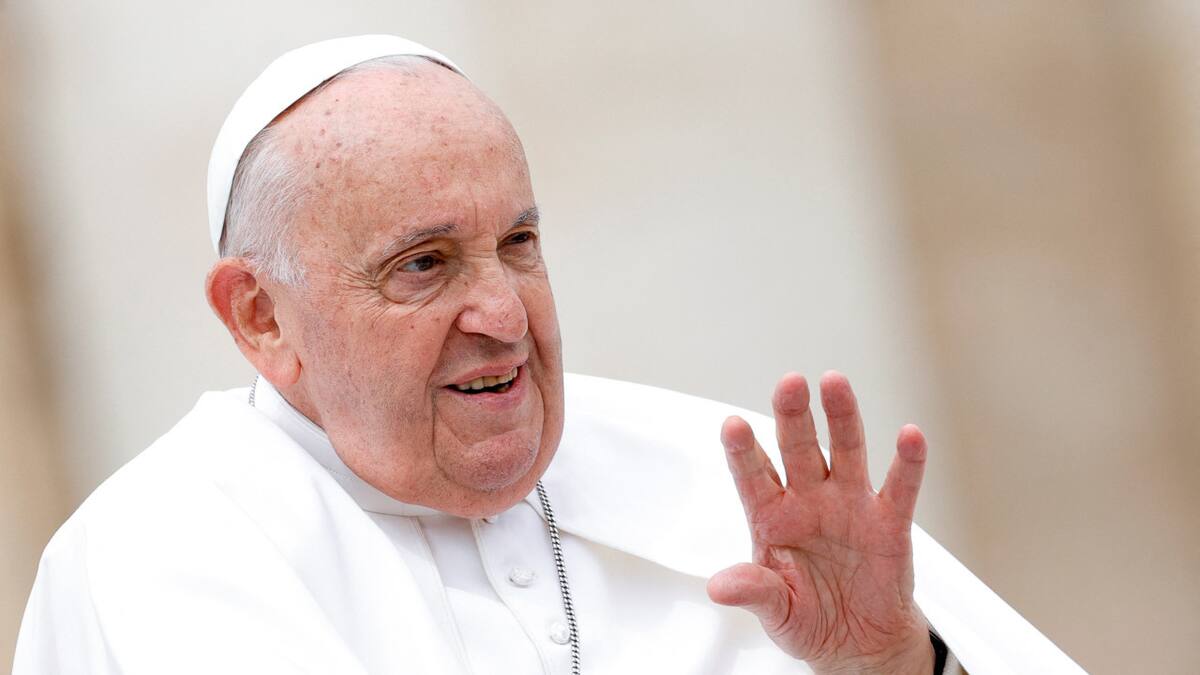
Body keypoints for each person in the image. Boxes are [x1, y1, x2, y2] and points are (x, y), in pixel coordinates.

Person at [13, 35, 1083, 674]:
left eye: (518, 243)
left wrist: (899, 666)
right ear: (260, 318)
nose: (503, 313)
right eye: (423, 265)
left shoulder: (731, 487)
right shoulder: (154, 563)